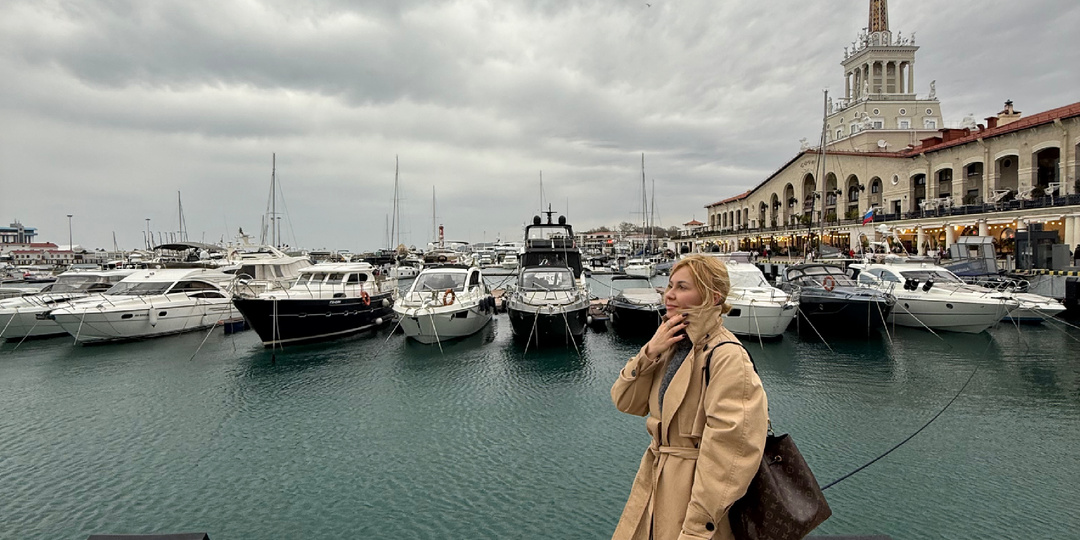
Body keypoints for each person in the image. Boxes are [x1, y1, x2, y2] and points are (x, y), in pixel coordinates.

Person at [610, 255, 768, 540]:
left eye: (682, 287)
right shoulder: (673, 343)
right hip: (659, 486)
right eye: (670, 285)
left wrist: (697, 529)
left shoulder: (727, 356)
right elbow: (625, 401)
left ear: (712, 296)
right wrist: (649, 352)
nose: (669, 294)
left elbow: (731, 452)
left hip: (695, 500)